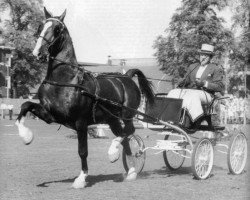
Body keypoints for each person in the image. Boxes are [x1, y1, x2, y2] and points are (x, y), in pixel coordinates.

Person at [167, 44, 225, 128]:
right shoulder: (193, 66)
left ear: (210, 57)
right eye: (202, 55)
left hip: (207, 95)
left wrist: (204, 84)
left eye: (206, 55)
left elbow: (219, 87)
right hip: (190, 92)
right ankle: (170, 118)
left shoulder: (215, 68)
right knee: (173, 92)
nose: (203, 57)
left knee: (193, 95)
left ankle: (195, 118)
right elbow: (186, 80)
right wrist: (181, 82)